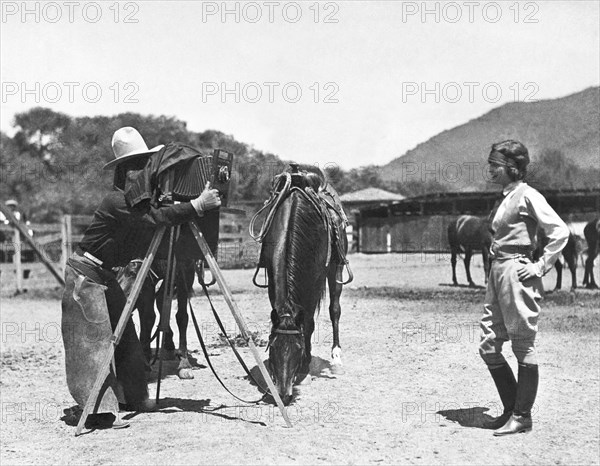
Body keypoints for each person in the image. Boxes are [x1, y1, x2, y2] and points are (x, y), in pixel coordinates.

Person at [61, 127, 221, 429]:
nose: (143, 173)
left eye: (145, 166)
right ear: (125, 172)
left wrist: (186, 209)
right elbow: (154, 218)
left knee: (128, 340)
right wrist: (196, 206)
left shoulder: (137, 202)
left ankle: (133, 397)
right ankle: (97, 411)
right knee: (93, 344)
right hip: (86, 274)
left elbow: (157, 214)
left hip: (106, 275)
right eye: (137, 167)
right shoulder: (117, 201)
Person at [479, 140, 569, 436]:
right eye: (491, 163)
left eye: (495, 165)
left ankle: (521, 416)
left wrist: (539, 266)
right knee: (489, 345)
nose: (490, 169)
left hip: (517, 273)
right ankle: (511, 410)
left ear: (511, 168)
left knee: (522, 344)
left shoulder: (528, 195)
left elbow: (559, 232)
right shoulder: (505, 197)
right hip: (497, 272)